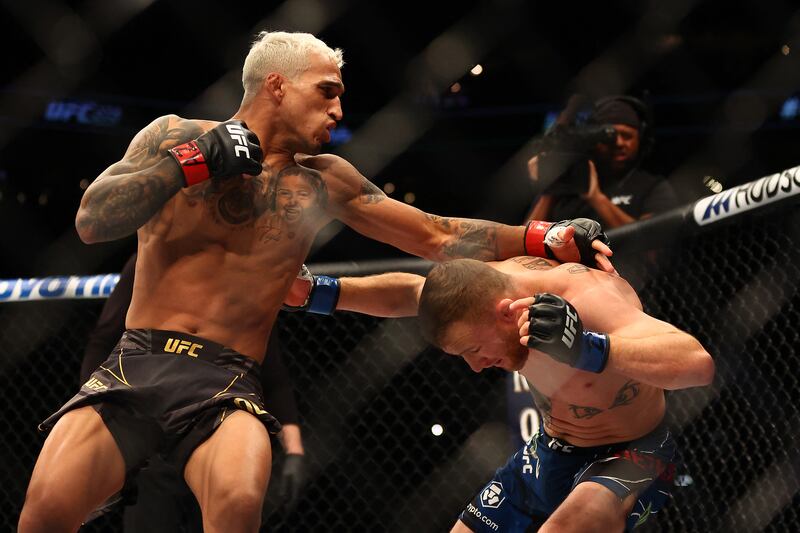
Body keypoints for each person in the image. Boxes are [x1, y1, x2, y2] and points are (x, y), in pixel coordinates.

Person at [18, 31, 613, 533]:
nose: (337, 111)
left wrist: (542, 237)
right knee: (42, 515)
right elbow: (92, 220)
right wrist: (193, 160)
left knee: (237, 502)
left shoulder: (324, 181)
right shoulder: (174, 133)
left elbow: (438, 235)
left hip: (226, 380)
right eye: (326, 92)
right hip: (136, 363)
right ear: (277, 85)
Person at [296, 255, 713, 531]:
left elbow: (697, 363)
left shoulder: (587, 301)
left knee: (570, 525)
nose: (476, 366)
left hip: (632, 453)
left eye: (475, 350)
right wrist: (316, 293)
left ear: (505, 312)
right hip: (551, 448)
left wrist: (588, 348)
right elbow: (411, 292)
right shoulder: (477, 291)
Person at [80, 253, 307, 531]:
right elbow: (103, 340)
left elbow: (272, 372)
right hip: (155, 421)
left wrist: (294, 450)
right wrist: (97, 421)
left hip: (218, 422)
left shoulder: (248, 271)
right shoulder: (155, 253)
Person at [526, 95, 680, 229]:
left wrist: (596, 197)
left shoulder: (652, 187)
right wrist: (551, 188)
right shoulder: (568, 187)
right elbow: (524, 241)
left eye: (626, 136)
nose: (619, 143)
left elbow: (653, 249)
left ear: (641, 140)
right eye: (609, 138)